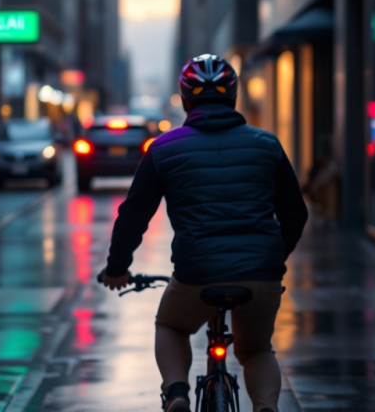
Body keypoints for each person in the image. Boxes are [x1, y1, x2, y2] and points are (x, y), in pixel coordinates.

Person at [99, 55, 308, 412]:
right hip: (261, 273)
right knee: (256, 348)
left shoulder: (163, 149)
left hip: (196, 273)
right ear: (234, 96)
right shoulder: (267, 144)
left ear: (185, 100)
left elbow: (133, 216)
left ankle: (177, 395)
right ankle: (267, 407)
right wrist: (271, 258)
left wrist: (118, 267)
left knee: (171, 326)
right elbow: (295, 213)